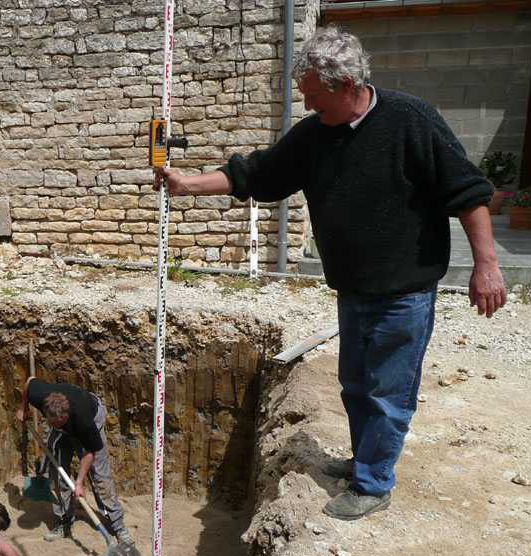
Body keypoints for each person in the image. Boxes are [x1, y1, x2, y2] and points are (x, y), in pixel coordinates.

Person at [154, 25, 506, 521]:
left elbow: (469, 193)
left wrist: (487, 267)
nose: (307, 107)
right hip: (352, 289)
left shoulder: (411, 121)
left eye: (314, 97)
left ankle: (373, 483)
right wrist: (188, 185)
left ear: (346, 85)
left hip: (404, 292)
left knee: (387, 393)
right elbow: (257, 172)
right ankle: (367, 461)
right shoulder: (316, 136)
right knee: (356, 386)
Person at [16, 376, 135, 548]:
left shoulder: (83, 420)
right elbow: (29, 381)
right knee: (57, 471)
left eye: (61, 422)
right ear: (46, 412)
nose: (57, 424)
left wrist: (79, 483)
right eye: (53, 422)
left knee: (100, 476)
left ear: (66, 416)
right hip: (63, 429)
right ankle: (64, 521)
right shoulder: (39, 395)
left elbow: (90, 453)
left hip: (92, 418)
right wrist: (23, 407)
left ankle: (118, 526)